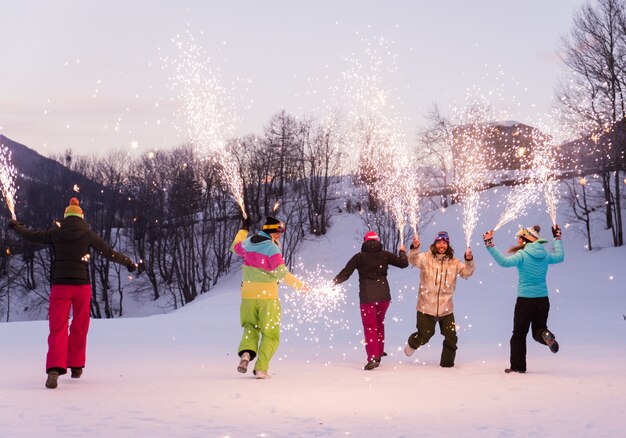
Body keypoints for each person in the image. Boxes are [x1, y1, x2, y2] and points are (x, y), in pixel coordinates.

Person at [8, 198, 138, 389]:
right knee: (80, 325)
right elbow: (109, 252)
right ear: (81, 216)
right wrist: (128, 262)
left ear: (66, 216)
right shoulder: (88, 234)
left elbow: (31, 235)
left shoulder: (56, 233)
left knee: (58, 327)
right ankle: (76, 365)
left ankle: (54, 369)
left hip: (60, 286)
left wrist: (16, 225)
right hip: (82, 287)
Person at [230, 215, 307, 379]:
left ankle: (246, 353)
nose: (280, 235)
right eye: (278, 232)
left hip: (248, 294)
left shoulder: (248, 242)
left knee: (250, 326)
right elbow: (281, 273)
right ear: (270, 231)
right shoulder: (272, 249)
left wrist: (243, 229)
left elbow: (234, 247)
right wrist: (300, 286)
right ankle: (261, 369)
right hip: (267, 295)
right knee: (271, 333)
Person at [483, 224, 564, 374]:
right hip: (542, 300)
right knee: (538, 330)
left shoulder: (522, 255)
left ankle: (517, 367)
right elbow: (560, 257)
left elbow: (503, 262)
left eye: (520, 237)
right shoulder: (545, 255)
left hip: (525, 301)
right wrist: (557, 238)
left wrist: (489, 244)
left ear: (526, 239)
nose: (518, 239)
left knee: (519, 335)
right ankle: (545, 335)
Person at [332, 231, 408, 370]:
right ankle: (378, 350)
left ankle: (374, 357)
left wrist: (334, 282)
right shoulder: (385, 255)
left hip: (368, 297)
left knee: (370, 327)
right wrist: (402, 252)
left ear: (364, 241)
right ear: (377, 241)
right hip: (384, 297)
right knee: (379, 324)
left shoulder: (359, 257)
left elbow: (346, 272)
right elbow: (403, 264)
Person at [404, 231, 475, 368]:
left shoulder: (454, 262)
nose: (441, 245)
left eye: (444, 242)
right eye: (439, 242)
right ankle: (412, 344)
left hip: (446, 308)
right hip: (425, 306)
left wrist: (469, 260)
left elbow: (467, 273)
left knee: (451, 337)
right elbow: (412, 260)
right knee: (424, 336)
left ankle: (447, 366)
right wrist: (414, 248)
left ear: (447, 245)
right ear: (435, 244)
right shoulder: (425, 258)